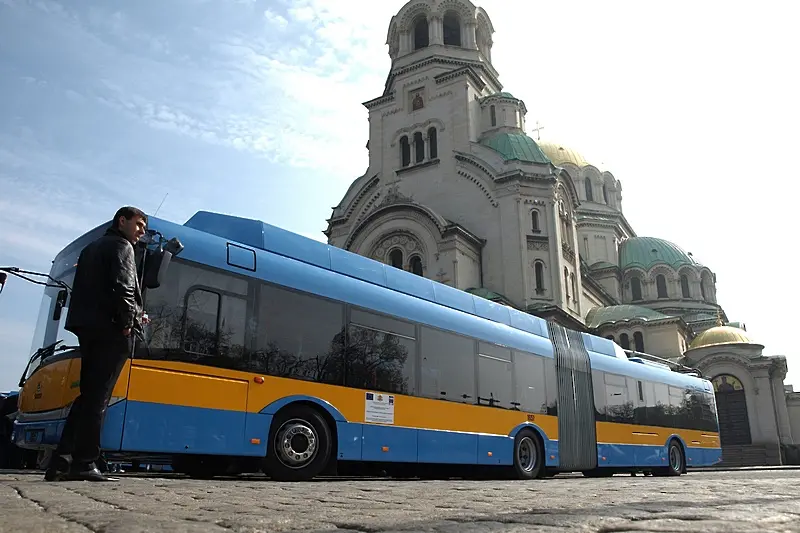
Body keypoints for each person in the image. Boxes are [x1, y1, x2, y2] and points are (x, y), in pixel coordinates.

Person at [45, 206, 148, 482]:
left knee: (88, 397)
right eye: (138, 224)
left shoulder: (91, 249)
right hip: (112, 332)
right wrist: (129, 322)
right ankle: (85, 463)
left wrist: (135, 313)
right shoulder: (122, 246)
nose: (141, 231)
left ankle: (61, 463)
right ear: (122, 221)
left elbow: (99, 290)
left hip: (88, 329)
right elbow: (123, 286)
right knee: (98, 398)